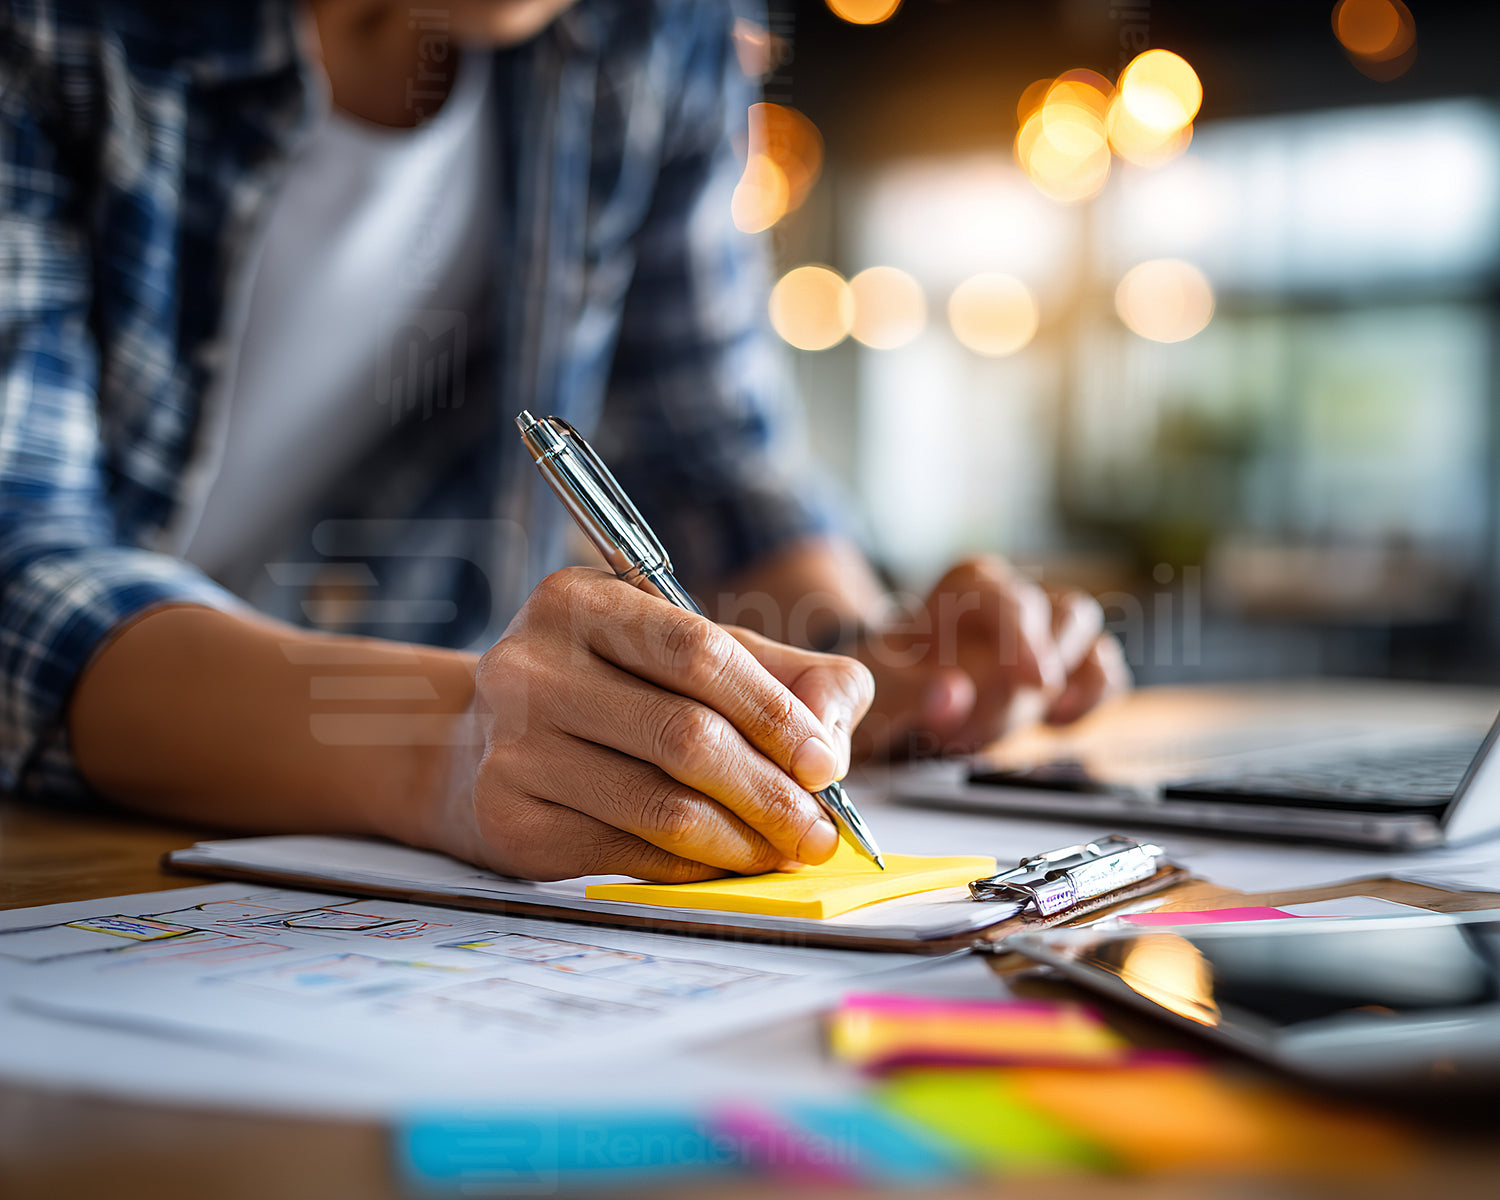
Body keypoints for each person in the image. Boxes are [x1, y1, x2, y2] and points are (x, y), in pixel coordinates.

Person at [0, 0, 1127, 883]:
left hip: (367, 874)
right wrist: (444, 750)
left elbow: (720, 469)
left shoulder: (657, 31)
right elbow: (20, 580)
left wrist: (856, 673)